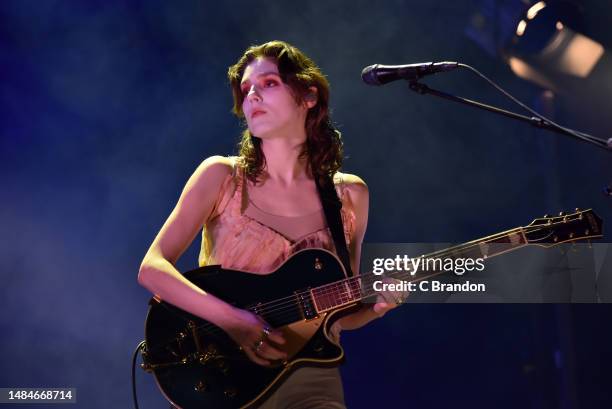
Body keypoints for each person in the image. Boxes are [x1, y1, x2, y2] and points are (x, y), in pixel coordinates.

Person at [138, 40, 398, 409]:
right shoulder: (221, 176)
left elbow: (338, 316)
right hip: (224, 378)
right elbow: (152, 269)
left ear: (309, 96)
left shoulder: (351, 195)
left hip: (311, 380)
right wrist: (234, 322)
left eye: (270, 83)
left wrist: (376, 308)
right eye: (246, 90)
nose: (253, 95)